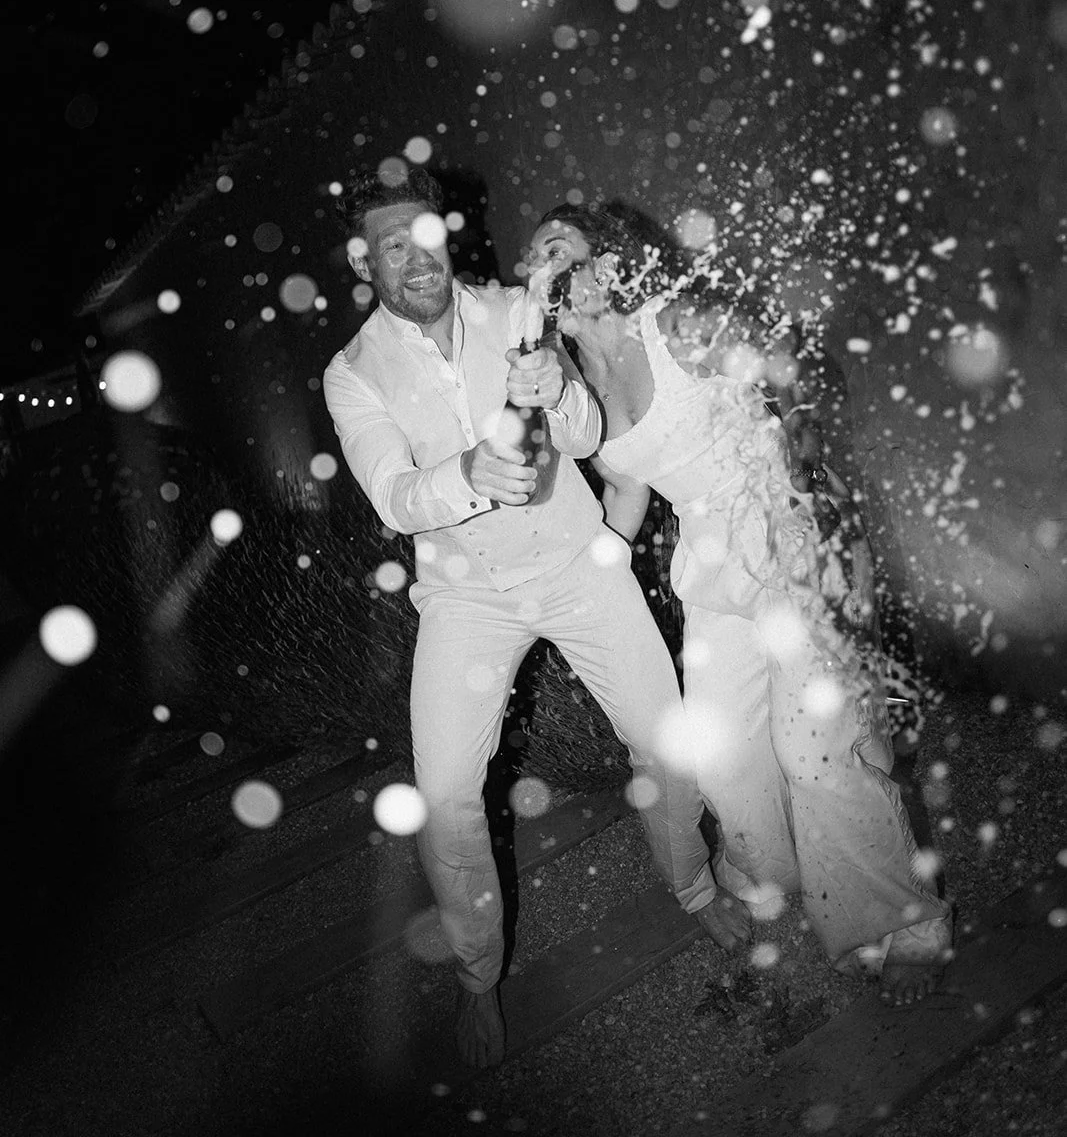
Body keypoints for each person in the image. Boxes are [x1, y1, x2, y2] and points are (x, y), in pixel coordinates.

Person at [322, 165, 750, 1071]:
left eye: (426, 236)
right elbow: (394, 496)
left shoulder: (514, 311)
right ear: (365, 264)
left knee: (665, 744)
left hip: (575, 565)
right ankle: (478, 974)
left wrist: (555, 389)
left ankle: (692, 887)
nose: (418, 258)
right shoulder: (352, 373)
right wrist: (466, 475)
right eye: (393, 246)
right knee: (446, 797)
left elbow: (589, 436)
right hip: (466, 597)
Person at [527, 203, 954, 1008]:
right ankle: (780, 869)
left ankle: (903, 924)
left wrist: (807, 484)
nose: (541, 264)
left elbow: (798, 369)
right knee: (722, 756)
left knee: (814, 751)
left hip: (788, 534)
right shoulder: (576, 387)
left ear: (608, 263)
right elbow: (627, 489)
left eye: (558, 247)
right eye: (533, 256)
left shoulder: (676, 325)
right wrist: (585, 577)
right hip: (713, 568)